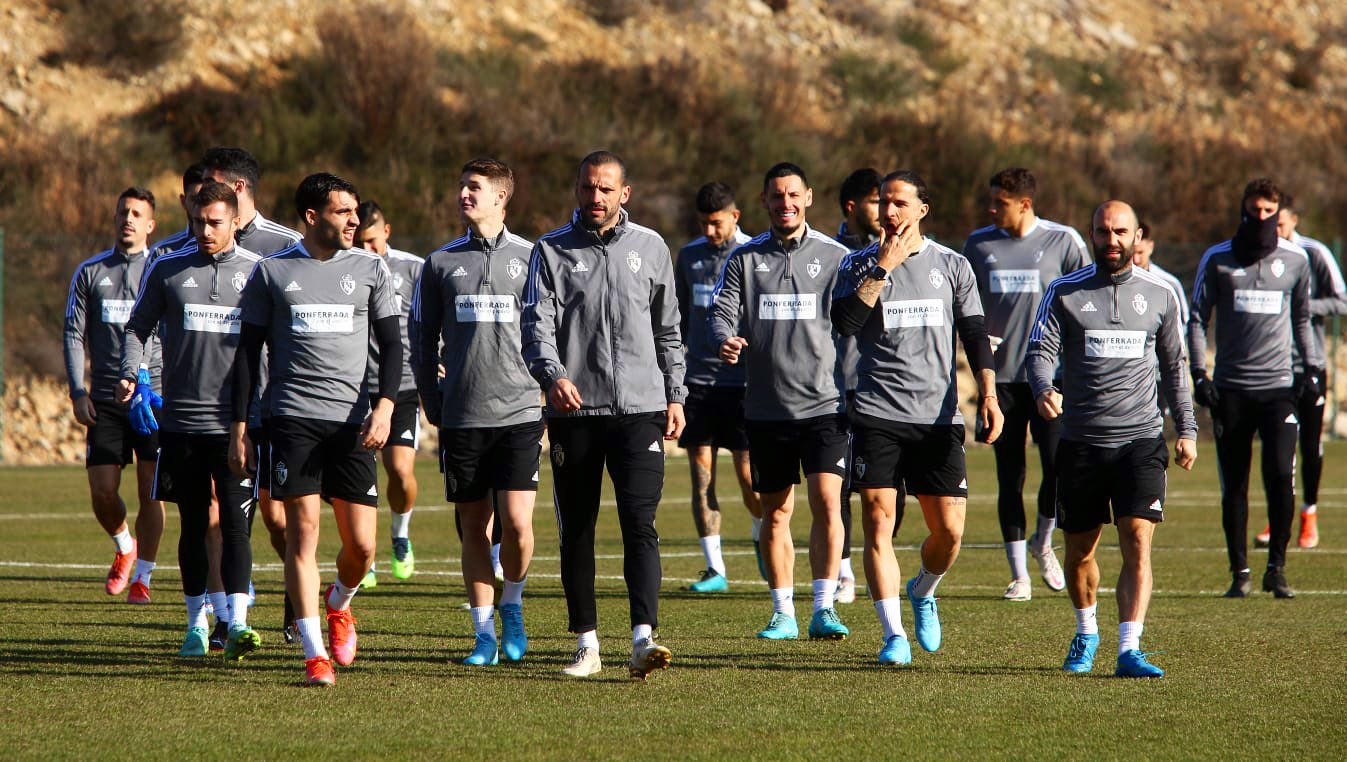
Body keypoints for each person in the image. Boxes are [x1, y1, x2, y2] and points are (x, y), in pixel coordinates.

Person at [230, 172, 401, 686]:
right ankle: (314, 653)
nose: (354, 220)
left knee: (363, 548)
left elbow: (393, 345)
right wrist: (241, 426)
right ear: (312, 216)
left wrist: (385, 407)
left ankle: (339, 602)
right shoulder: (271, 272)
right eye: (343, 211)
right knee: (302, 534)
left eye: (355, 212)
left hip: (353, 423)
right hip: (292, 419)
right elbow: (247, 354)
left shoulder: (371, 268)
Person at [521, 150, 685, 680]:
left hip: (641, 409)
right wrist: (553, 376)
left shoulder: (651, 247)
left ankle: (643, 639)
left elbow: (668, 329)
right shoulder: (549, 250)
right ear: (578, 189)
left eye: (606, 189)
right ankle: (586, 645)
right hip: (575, 411)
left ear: (624, 193)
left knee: (640, 522)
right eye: (588, 187)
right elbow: (536, 325)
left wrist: (675, 394)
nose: (596, 197)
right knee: (578, 529)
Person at [831, 170, 1003, 665]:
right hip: (876, 413)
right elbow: (845, 323)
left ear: (922, 210)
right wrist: (883, 266)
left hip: (937, 418)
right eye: (883, 202)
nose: (889, 211)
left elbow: (974, 334)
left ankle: (923, 589)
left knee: (949, 533)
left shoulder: (953, 265)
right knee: (877, 522)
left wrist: (989, 396)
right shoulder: (857, 264)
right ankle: (893, 636)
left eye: (900, 203)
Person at [1028, 200, 1198, 679]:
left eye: (1121, 232)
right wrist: (1043, 388)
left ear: (1138, 236)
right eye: (1103, 232)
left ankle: (1129, 647)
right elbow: (1039, 351)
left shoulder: (1162, 294)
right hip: (1081, 441)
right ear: (1092, 235)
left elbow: (1175, 367)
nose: (1112, 240)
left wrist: (1186, 429)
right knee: (1080, 551)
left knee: (1137, 540)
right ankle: (1086, 632)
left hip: (1140, 440)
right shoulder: (1064, 291)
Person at [709, 162, 852, 642]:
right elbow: (721, 311)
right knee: (776, 512)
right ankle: (782, 612)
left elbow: (856, 317)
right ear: (764, 201)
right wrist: (725, 337)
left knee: (828, 503)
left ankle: (824, 607)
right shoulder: (744, 258)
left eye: (793, 195)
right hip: (767, 409)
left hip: (826, 405)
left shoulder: (835, 256)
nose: (785, 203)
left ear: (808, 197)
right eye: (776, 196)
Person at [121, 181, 263, 659]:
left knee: (237, 525)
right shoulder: (167, 267)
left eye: (215, 223)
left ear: (235, 221)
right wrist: (132, 373)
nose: (204, 230)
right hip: (181, 423)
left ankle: (238, 623)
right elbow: (137, 327)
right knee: (194, 523)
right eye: (198, 221)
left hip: (237, 426)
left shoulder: (259, 272)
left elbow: (274, 343)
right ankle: (196, 624)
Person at [413, 158, 541, 666]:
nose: (464, 194)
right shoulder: (439, 263)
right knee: (474, 529)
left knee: (518, 526)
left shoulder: (534, 258)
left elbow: (553, 331)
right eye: (462, 186)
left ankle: (513, 604)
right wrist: (431, 398)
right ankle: (484, 634)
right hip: (463, 416)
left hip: (520, 412)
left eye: (475, 187)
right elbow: (421, 339)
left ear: (501, 197)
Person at [1189, 178, 1322, 599]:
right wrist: (1199, 373)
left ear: (1278, 212)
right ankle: (1240, 571)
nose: (1261, 217)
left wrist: (1312, 368)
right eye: (1255, 210)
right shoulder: (1217, 258)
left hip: (1280, 390)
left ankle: (1276, 568)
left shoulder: (1296, 260)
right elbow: (1197, 318)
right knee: (1235, 485)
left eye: (1269, 211)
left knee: (1281, 476)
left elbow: (1302, 318)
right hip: (1231, 391)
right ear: (1243, 210)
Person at [961, 167, 1088, 601]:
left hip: (1050, 380)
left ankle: (1043, 542)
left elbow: (1086, 300)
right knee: (1009, 475)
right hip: (1001, 382)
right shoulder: (978, 245)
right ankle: (1019, 575)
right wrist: (978, 339)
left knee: (1058, 468)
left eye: (1000, 203)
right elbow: (965, 304)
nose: (991, 209)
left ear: (1025, 204)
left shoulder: (1063, 241)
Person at [199, 146, 303, 642]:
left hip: (274, 405)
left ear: (237, 188)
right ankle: (226, 618)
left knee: (278, 517)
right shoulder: (195, 245)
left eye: (213, 182)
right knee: (217, 514)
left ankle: (296, 599)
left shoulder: (286, 245)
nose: (204, 193)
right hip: (216, 409)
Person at [62, 187, 166, 604]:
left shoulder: (163, 270)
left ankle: (143, 577)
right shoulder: (90, 272)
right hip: (105, 398)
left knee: (150, 490)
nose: (129, 219)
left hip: (152, 397)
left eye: (137, 213)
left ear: (151, 224)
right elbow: (73, 334)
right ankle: (125, 545)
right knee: (103, 490)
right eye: (123, 211)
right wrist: (77, 391)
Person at [673, 182, 759, 593]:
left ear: (735, 217)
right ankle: (715, 569)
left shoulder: (753, 254)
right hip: (699, 382)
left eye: (717, 223)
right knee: (701, 477)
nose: (710, 231)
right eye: (704, 224)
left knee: (748, 477)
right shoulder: (689, 256)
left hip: (742, 383)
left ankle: (762, 534)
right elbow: (678, 316)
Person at [1250, 195, 1347, 550]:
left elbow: (1342, 300)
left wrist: (1302, 306)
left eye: (1279, 223)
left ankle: (1309, 514)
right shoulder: (1258, 254)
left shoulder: (1314, 253)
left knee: (1310, 445)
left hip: (1309, 365)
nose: (1273, 229)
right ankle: (1280, 517)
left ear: (1293, 221)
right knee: (1279, 449)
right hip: (1274, 368)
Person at [355, 200, 425, 585]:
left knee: (399, 471)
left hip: (401, 388)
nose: (366, 249)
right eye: (359, 242)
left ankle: (400, 534)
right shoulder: (345, 267)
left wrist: (437, 356)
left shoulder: (414, 269)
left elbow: (433, 318)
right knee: (359, 478)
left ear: (387, 231)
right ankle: (364, 557)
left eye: (372, 241)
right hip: (354, 389)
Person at [832, 167, 884, 604]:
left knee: (886, 488)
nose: (884, 209)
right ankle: (845, 572)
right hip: (837, 384)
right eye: (875, 201)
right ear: (852, 206)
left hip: (883, 387)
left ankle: (879, 556)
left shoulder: (894, 251)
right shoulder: (828, 254)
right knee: (839, 484)